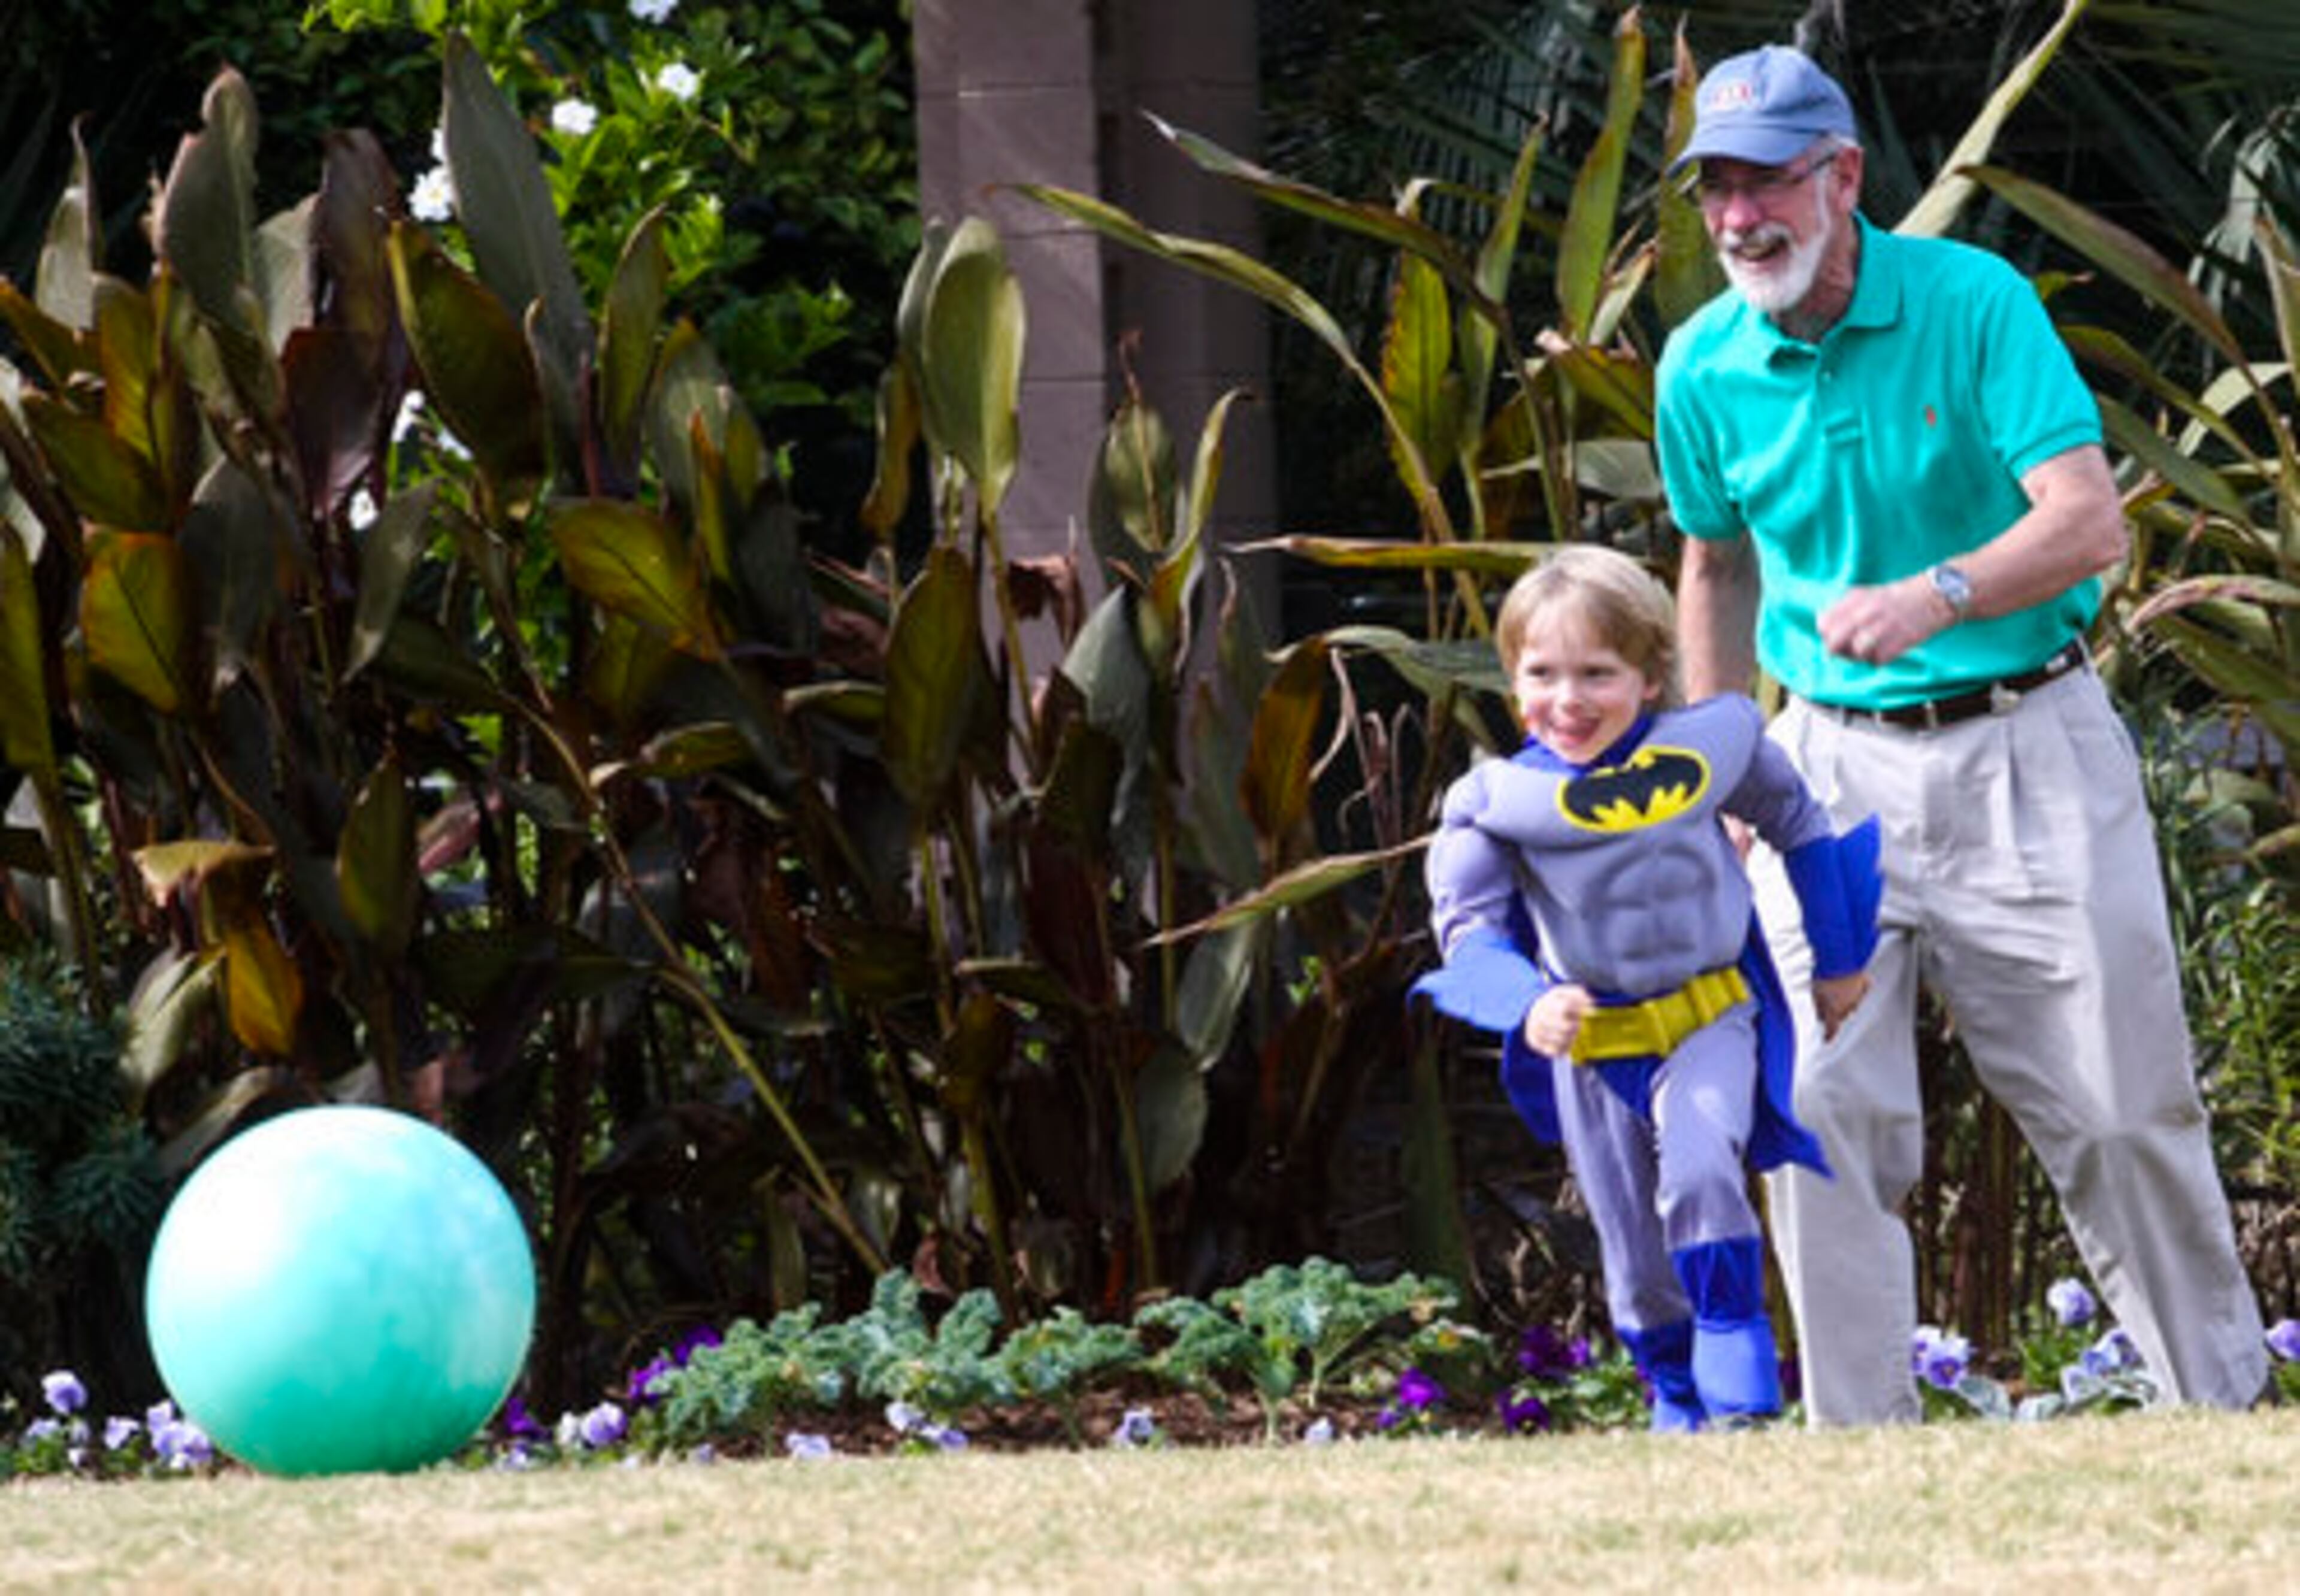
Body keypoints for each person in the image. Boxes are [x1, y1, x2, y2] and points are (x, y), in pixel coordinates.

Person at [1654, 44, 2269, 1425]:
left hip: (2027, 748)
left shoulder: (1975, 303)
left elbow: (2087, 523)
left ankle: (2217, 1417)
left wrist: (1939, 595)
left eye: (1768, 181)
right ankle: (1861, 1451)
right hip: (1822, 772)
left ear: (1845, 176)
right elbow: (1713, 566)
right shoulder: (1702, 363)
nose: (1741, 216)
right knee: (1815, 1107)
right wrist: (1721, 770)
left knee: (2121, 1109)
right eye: (1717, 191)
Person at [1417, 544, 1881, 1431]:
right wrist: (1526, 1002)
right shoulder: (1492, 803)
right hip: (1594, 1043)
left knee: (1706, 1170)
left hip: (1709, 1016)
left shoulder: (1714, 745)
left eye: (1598, 672)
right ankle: (1676, 1394)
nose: (1569, 699)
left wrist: (1838, 958)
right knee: (1631, 1248)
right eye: (1542, 673)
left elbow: (1802, 825)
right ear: (1513, 683)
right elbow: (1466, 932)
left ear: (1651, 673)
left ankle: (1738, 1370)